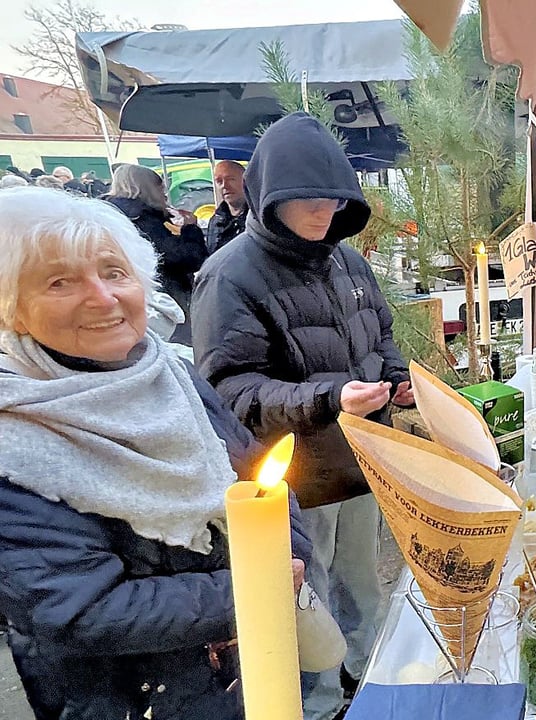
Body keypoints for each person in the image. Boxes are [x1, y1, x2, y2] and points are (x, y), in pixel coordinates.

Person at [0, 186, 313, 720]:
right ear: (13, 311)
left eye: (114, 272)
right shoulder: (15, 438)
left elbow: (260, 480)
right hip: (133, 699)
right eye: (60, 281)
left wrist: (293, 565)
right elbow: (77, 609)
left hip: (245, 672)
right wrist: (251, 590)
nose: (102, 297)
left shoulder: (172, 374)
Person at [191, 112, 415, 720]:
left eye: (333, 200)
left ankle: (374, 688)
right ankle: (316, 707)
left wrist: (397, 381)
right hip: (289, 481)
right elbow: (227, 391)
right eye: (306, 201)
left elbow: (381, 336)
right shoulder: (229, 275)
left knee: (362, 586)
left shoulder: (347, 261)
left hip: (363, 459)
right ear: (269, 198)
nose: (322, 213)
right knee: (303, 604)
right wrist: (327, 398)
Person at [107, 163, 208, 344]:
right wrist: (191, 228)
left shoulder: (107, 216)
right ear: (149, 188)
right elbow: (187, 257)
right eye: (161, 188)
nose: (165, 194)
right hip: (164, 300)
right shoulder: (142, 219)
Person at [207, 160, 249, 253]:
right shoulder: (215, 221)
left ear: (246, 181)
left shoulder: (259, 218)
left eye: (230, 179)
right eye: (219, 181)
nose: (224, 186)